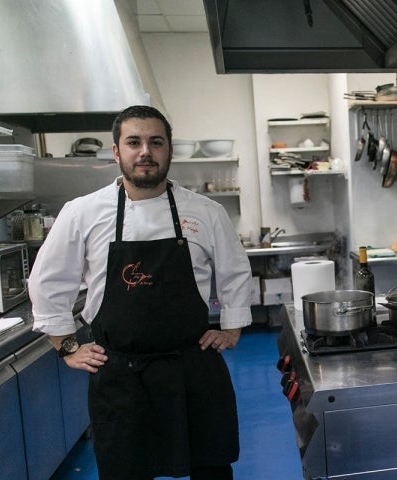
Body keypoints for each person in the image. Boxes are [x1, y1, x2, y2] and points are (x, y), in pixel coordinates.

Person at [29, 105, 253, 480]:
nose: (145, 151)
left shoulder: (205, 212)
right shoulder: (82, 213)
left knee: (211, 469)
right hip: (120, 377)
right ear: (116, 151)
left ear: (169, 150)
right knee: (125, 473)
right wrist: (66, 346)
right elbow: (48, 280)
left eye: (156, 142)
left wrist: (231, 327)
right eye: (133, 142)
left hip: (192, 369)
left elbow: (235, 271)